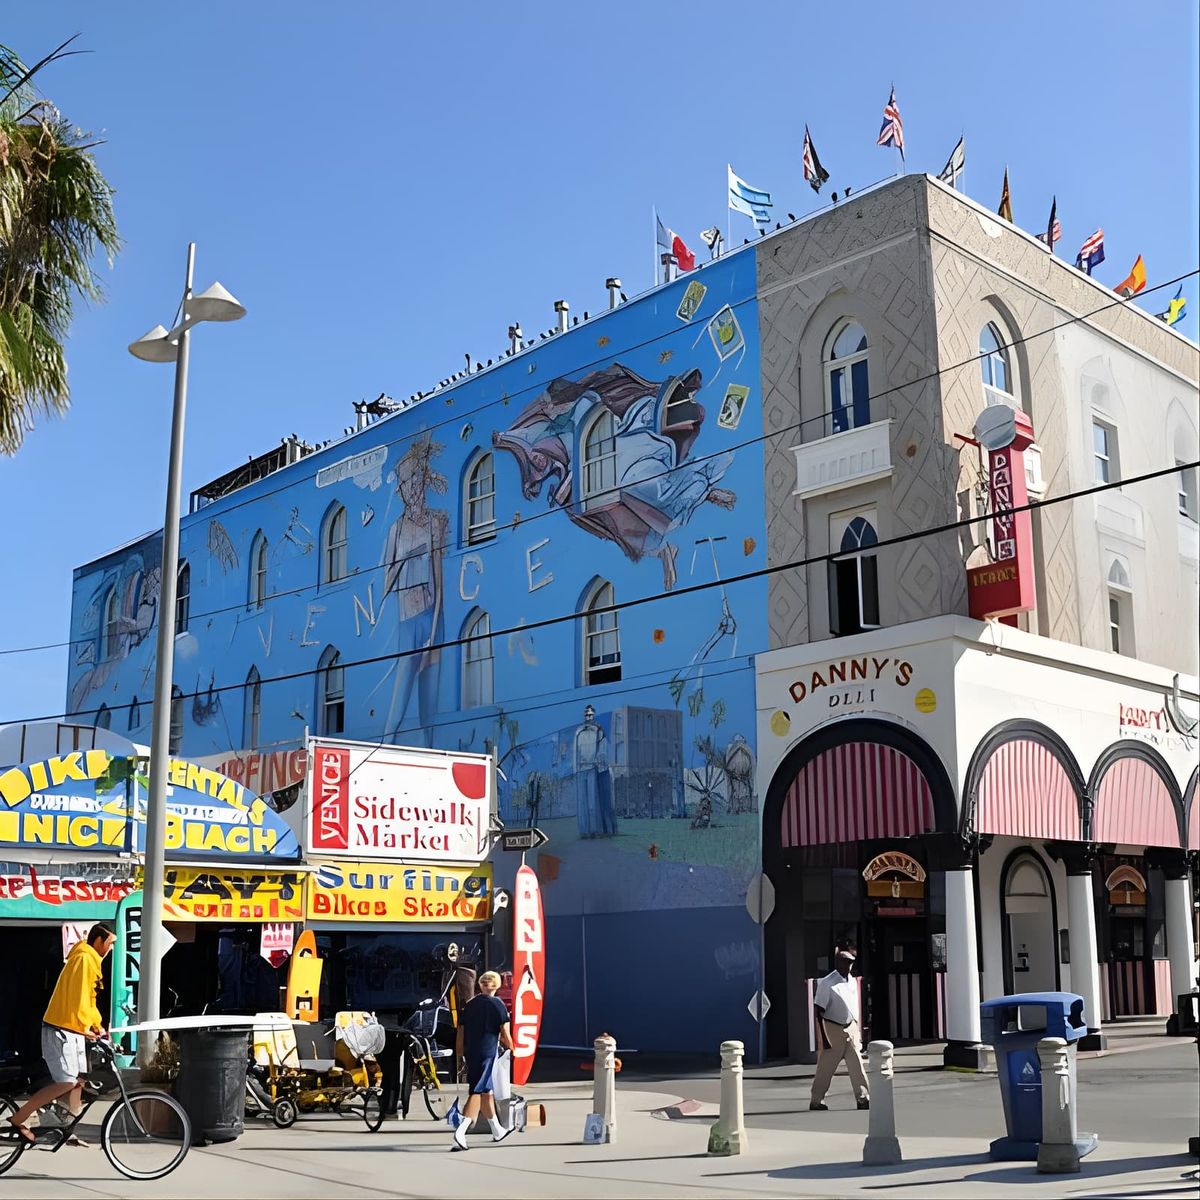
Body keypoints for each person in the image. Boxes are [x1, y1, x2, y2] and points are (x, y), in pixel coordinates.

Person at [7, 923, 117, 1146]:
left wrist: (97, 1026)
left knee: (80, 1079)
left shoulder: (90, 961)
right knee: (66, 1081)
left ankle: (66, 1128)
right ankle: (19, 1118)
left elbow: (90, 999)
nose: (111, 948)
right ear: (98, 941)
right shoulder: (85, 959)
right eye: (110, 943)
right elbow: (77, 998)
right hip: (62, 1029)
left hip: (73, 1029)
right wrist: (87, 1027)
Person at [451, 970, 514, 1151]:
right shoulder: (498, 1005)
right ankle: (460, 1131)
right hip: (487, 1051)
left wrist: (460, 1052)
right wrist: (512, 1049)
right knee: (477, 1090)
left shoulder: (470, 1005)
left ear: (481, 984)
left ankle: (497, 1130)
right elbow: (505, 1034)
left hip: (471, 1051)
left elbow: (461, 1030)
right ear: (497, 985)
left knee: (487, 1090)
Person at [809, 949, 870, 1112]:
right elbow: (818, 1010)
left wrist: (857, 1027)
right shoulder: (827, 983)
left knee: (857, 1064)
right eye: (845, 962)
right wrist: (822, 1035)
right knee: (825, 1067)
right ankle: (816, 1100)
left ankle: (863, 1098)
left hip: (851, 1027)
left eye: (851, 962)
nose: (848, 966)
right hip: (833, 1027)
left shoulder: (851, 981)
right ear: (837, 963)